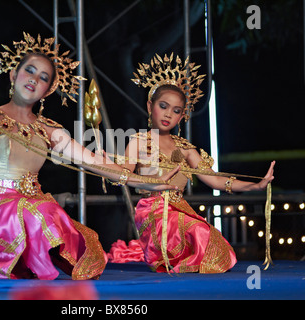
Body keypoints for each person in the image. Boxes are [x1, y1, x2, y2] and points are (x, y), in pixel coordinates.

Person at [0, 33, 178, 280]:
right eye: (29, 70)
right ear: (13, 74)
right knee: (41, 211)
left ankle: (32, 261)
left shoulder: (49, 129)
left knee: (66, 229)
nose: (33, 79)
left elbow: (92, 162)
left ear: (48, 90)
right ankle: (18, 258)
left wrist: (145, 182)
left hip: (37, 206)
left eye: (43, 78)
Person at [107, 53, 275, 273]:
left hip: (180, 210)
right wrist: (106, 165)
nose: (168, 114)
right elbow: (124, 175)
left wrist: (255, 186)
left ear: (182, 116)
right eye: (163, 106)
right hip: (153, 211)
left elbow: (214, 179)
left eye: (176, 111)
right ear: (150, 106)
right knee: (198, 232)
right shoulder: (139, 141)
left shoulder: (185, 148)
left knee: (217, 245)